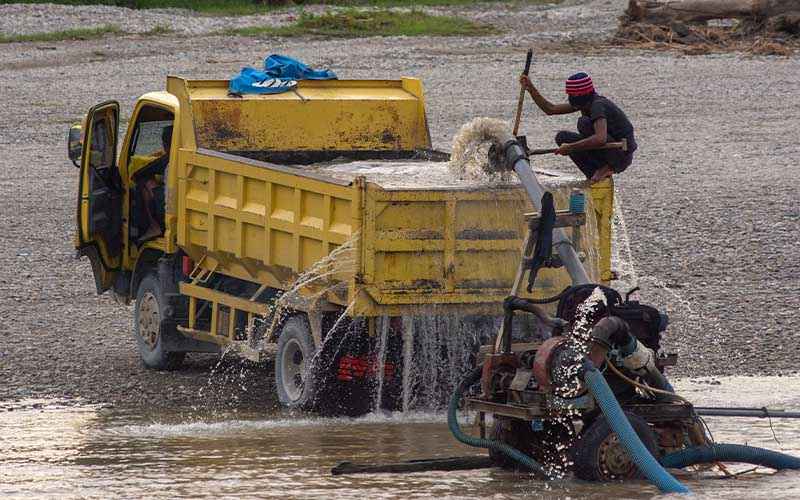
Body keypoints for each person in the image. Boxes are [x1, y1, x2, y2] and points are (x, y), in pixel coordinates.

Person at [519, 72, 637, 183]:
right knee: (562, 137)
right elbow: (551, 109)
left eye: (571, 95)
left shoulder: (598, 106)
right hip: (608, 151)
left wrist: (571, 147)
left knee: (583, 122)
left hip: (621, 156)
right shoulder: (585, 103)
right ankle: (592, 173)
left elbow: (600, 139)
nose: (569, 98)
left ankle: (607, 168)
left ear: (579, 96)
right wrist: (530, 88)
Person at [133, 125, 172, 243]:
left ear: (166, 145)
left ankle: (154, 226)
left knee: (144, 181)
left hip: (170, 209)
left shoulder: (168, 159)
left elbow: (137, 174)